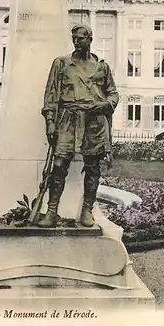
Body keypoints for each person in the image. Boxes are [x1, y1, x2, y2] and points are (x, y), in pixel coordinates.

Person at [38, 23, 119, 228]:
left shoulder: (102, 67)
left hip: (94, 123)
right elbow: (51, 95)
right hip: (68, 119)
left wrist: (103, 105)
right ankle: (52, 210)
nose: (76, 41)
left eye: (80, 38)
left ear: (89, 39)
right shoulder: (62, 63)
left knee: (92, 168)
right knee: (58, 166)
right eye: (73, 37)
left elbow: (113, 94)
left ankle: (87, 210)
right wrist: (50, 122)